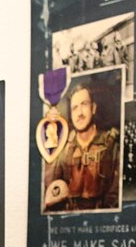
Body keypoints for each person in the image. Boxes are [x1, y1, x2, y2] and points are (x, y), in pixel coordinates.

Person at [43, 82, 121, 212]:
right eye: (74, 108)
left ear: (93, 108)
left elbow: (115, 197)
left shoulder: (111, 147)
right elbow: (52, 191)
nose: (79, 113)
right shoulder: (64, 149)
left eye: (84, 104)